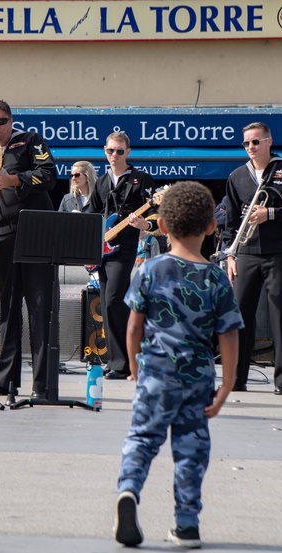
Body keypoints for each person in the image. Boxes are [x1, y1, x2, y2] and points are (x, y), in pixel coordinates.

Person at [114, 181, 242, 549]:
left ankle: (128, 491)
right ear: (211, 226)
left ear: (163, 226)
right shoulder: (217, 278)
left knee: (142, 438)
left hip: (155, 372)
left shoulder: (150, 269)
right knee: (191, 449)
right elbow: (229, 336)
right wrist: (227, 385)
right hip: (198, 377)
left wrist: (136, 368)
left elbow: (134, 325)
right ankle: (186, 525)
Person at [0, 100, 57, 398]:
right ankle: (5, 379)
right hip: (2, 238)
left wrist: (15, 180)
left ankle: (43, 385)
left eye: (0, 121)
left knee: (39, 308)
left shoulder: (30, 141)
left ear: (11, 121)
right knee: (8, 311)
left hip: (35, 233)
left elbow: (49, 175)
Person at [224, 122, 282, 394]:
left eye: (256, 142)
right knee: (240, 315)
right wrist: (230, 255)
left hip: (279, 253)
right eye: (246, 143)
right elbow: (231, 220)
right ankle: (237, 378)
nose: (250, 147)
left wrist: (270, 213)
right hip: (246, 253)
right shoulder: (237, 176)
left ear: (269, 142)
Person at [87, 131, 156, 380]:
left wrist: (144, 225)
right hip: (103, 249)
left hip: (124, 249)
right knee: (106, 303)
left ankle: (124, 362)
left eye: (119, 151)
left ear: (128, 152)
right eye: (110, 150)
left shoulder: (141, 179)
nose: (114, 155)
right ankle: (118, 359)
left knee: (114, 299)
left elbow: (156, 211)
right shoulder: (102, 181)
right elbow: (92, 213)